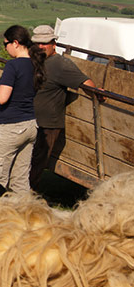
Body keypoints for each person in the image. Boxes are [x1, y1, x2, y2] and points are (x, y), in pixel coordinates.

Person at [29, 25, 103, 188]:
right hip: (29, 120)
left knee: (36, 164)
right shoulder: (35, 60)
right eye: (37, 43)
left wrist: (97, 93)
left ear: (54, 44)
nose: (40, 47)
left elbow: (85, 82)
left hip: (47, 125)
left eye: (45, 43)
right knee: (24, 162)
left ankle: (26, 198)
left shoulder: (61, 64)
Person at [0, 25, 46, 193]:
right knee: (20, 180)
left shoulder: (13, 66)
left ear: (16, 43)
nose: (5, 48)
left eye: (6, 44)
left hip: (11, 126)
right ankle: (24, 215)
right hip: (30, 125)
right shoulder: (35, 64)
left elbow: (2, 98)